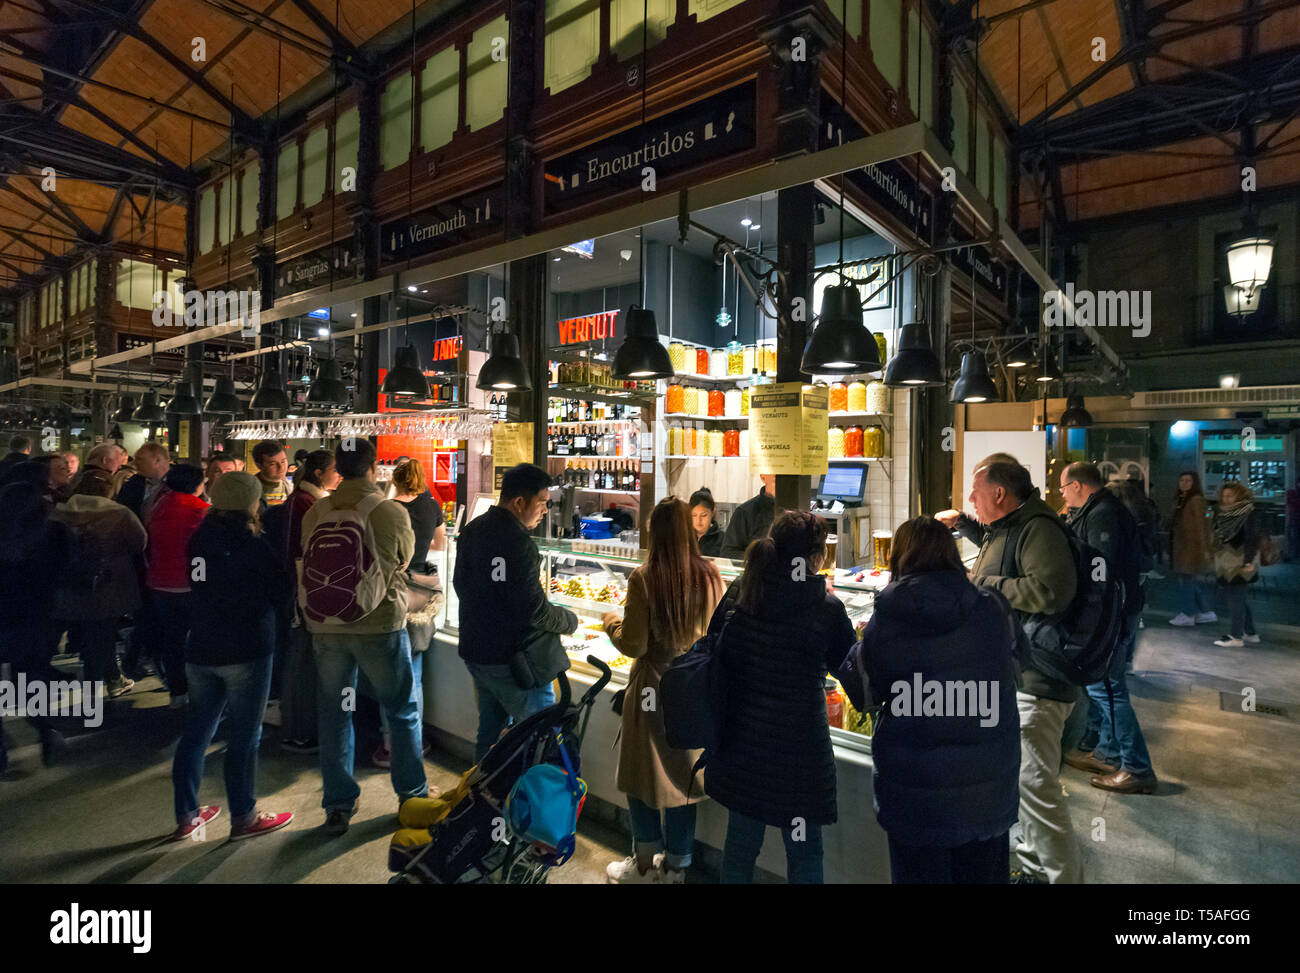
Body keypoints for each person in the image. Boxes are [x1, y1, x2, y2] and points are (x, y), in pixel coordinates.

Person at [850, 516, 1021, 884]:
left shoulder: (888, 619)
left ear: (900, 556)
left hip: (917, 800)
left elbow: (866, 694)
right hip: (986, 793)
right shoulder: (993, 608)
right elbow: (1014, 665)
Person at [708, 510, 855, 884]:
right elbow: (855, 675)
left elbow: (712, 648)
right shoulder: (826, 608)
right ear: (817, 557)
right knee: (804, 854)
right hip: (799, 759)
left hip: (744, 747)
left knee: (740, 850)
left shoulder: (744, 589)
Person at [963, 460, 1081, 884]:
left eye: (976, 492)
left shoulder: (1039, 528)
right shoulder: (1013, 525)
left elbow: (1050, 591)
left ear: (999, 494)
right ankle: (1034, 869)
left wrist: (986, 584)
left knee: (1038, 790)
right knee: (1027, 788)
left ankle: (1061, 877)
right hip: (1024, 673)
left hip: (1041, 680)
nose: (971, 499)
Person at [300, 438, 426, 835]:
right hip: (378, 624)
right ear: (374, 468)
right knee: (401, 710)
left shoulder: (317, 510)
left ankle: (338, 803)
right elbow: (405, 559)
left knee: (335, 711)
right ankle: (412, 795)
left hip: (326, 626)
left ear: (338, 468)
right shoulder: (388, 511)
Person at [601, 498, 725, 884]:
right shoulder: (711, 574)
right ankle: (677, 866)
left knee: (641, 778)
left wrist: (611, 624)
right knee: (684, 780)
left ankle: (642, 864)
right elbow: (718, 634)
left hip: (652, 687)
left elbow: (635, 645)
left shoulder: (644, 577)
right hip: (693, 687)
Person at [170, 471, 294, 842]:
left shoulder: (200, 538)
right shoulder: (254, 542)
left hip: (201, 647)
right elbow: (280, 590)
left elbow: (198, 585)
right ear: (251, 502)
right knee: (244, 737)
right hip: (247, 648)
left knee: (196, 732)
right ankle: (244, 816)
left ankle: (187, 816)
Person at [453, 463, 578, 762]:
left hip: (477, 651)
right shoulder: (519, 544)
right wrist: (568, 620)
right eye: (542, 503)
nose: (545, 510)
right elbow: (533, 611)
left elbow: (460, 585)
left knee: (490, 732)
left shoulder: (472, 530)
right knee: (539, 738)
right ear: (519, 502)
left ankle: (481, 798)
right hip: (514, 663)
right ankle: (529, 805)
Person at [1058, 462, 1156, 795]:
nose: (1061, 494)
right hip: (1115, 613)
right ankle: (1106, 752)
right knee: (1102, 686)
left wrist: (1088, 618)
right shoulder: (1099, 509)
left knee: (1108, 689)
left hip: (1110, 616)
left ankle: (1136, 768)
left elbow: (1101, 570)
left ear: (1076, 486)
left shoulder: (1103, 514)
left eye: (1062, 488)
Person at [52, 472, 146, 699]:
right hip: (110, 580)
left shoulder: (60, 512)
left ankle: (100, 677)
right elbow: (139, 542)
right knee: (104, 631)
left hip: (73, 581)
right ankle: (105, 680)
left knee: (87, 630)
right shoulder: (120, 513)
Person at [0, 482, 70, 773]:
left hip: (7, 614)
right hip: (37, 616)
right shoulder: (53, 532)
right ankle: (44, 728)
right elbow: (66, 570)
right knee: (29, 678)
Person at [277, 450, 339, 754]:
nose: (338, 475)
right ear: (318, 473)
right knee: (303, 662)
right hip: (305, 593)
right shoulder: (308, 503)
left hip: (300, 591)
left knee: (299, 660)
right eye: (334, 470)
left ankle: (296, 727)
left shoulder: (303, 500)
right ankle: (301, 731)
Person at [145, 465, 210, 709]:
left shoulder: (158, 505)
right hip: (188, 584)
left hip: (159, 582)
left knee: (172, 639)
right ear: (196, 484)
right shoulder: (200, 510)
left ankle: (177, 691)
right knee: (194, 641)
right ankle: (198, 692)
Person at [1211, 481, 1262, 648]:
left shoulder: (1247, 512)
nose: (1226, 499)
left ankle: (1236, 636)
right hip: (1226, 560)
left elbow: (1252, 538)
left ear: (1239, 495)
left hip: (1240, 559)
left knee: (1235, 598)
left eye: (1230, 496)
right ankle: (1250, 632)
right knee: (1239, 598)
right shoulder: (1222, 513)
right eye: (1224, 496)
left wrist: (1248, 561)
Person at [1169, 471, 1215, 627]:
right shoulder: (1184, 499)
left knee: (1186, 580)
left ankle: (1189, 612)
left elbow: (1203, 526)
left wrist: (1205, 549)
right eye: (1181, 480)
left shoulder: (1195, 500)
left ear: (1194, 483)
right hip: (1186, 547)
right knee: (1189, 581)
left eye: (1188, 480)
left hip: (1190, 547)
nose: (1184, 483)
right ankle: (1204, 611)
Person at [390, 459, 445, 574]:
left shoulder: (386, 508)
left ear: (394, 480)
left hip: (392, 580)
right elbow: (440, 545)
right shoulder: (432, 505)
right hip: (419, 580)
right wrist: (421, 542)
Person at [719, 473, 775, 559]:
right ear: (763, 477)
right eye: (776, 479)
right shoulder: (745, 512)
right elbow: (728, 553)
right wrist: (759, 558)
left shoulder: (799, 508)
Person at [116, 441, 171, 523]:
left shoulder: (179, 485)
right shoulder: (132, 484)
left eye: (140, 459)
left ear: (157, 460)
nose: (134, 463)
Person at [252, 440, 292, 507]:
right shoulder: (250, 488)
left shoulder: (290, 486)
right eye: (273, 464)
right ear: (259, 465)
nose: (281, 467)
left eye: (283, 462)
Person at [688, 487, 724, 557]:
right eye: (694, 515)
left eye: (704, 515)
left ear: (713, 512)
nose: (698, 520)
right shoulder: (684, 538)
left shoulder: (723, 540)